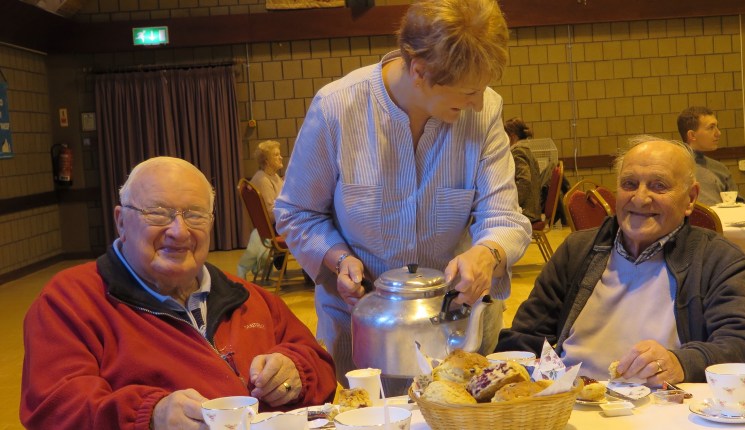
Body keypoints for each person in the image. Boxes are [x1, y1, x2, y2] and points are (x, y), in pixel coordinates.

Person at [274, 0, 531, 391]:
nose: (479, 103)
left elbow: (504, 217)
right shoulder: (337, 108)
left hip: (454, 326)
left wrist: (487, 253)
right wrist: (338, 258)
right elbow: (297, 212)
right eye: (469, 92)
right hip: (364, 327)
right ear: (419, 71)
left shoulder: (484, 112)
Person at [20, 157, 336, 429]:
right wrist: (150, 415)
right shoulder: (71, 302)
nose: (179, 231)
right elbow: (55, 409)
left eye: (195, 214)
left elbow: (319, 366)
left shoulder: (248, 297)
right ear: (121, 222)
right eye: (158, 213)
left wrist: (296, 372)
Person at [496, 136, 745, 384]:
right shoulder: (577, 251)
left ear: (690, 199)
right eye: (629, 184)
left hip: (663, 406)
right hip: (571, 401)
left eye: (659, 186)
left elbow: (744, 349)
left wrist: (680, 362)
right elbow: (525, 338)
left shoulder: (717, 260)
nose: (640, 198)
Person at [237, 140, 285, 279]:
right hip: (275, 228)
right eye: (276, 155)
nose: (281, 157)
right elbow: (271, 214)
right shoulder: (263, 180)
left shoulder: (273, 176)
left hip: (278, 225)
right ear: (267, 161)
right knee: (310, 228)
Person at [677, 106, 739, 206]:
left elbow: (738, 203)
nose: (718, 133)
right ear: (692, 135)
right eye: (711, 127)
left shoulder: (720, 169)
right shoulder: (673, 168)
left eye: (717, 127)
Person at [504, 118, 544, 222]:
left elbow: (524, 181)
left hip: (527, 213)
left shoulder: (517, 152)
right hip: (532, 211)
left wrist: (510, 203)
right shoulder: (526, 151)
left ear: (512, 137)